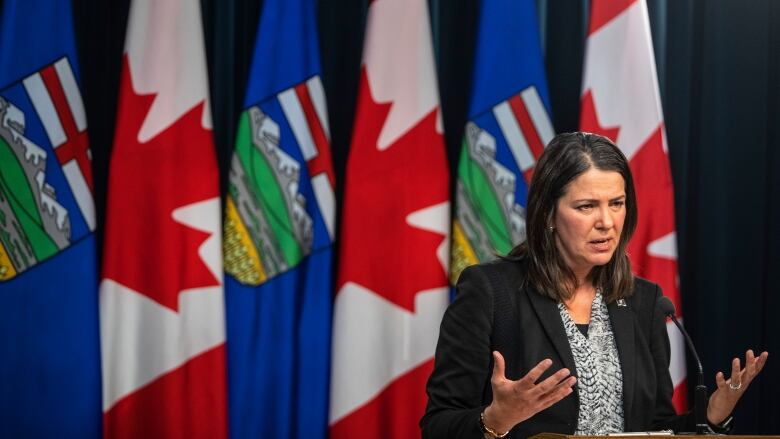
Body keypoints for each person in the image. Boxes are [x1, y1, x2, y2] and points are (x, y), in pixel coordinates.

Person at [420, 132, 768, 438]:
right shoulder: (491, 293)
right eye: (586, 206)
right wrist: (495, 419)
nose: (606, 222)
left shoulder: (645, 301)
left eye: (616, 204)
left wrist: (711, 416)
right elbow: (438, 425)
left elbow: (655, 427)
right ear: (548, 214)